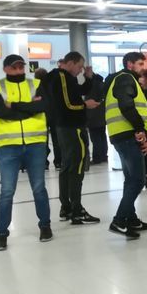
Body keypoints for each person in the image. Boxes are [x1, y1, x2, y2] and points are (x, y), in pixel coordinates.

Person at [0, 54, 53, 251]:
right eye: (14, 67)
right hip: (9, 145)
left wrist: (15, 106)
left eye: (21, 67)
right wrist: (29, 109)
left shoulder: (36, 83)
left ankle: (45, 226)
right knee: (7, 191)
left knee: (39, 188)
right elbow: (0, 111)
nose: (19, 70)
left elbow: (42, 106)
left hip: (35, 143)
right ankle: (1, 234)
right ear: (6, 69)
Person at [46, 51, 100, 225]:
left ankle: (67, 206)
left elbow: (76, 92)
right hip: (72, 128)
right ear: (70, 63)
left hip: (66, 127)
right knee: (76, 168)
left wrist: (89, 78)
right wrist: (86, 105)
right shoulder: (61, 77)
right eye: (79, 66)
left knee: (68, 166)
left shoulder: (66, 78)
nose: (79, 70)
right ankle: (76, 209)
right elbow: (68, 104)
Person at [104, 52, 147, 239]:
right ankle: (119, 219)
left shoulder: (122, 79)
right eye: (140, 63)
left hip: (121, 134)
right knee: (138, 180)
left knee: (130, 179)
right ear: (129, 64)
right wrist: (140, 128)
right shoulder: (125, 79)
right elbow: (126, 105)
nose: (143, 67)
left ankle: (131, 218)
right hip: (127, 134)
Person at [84, 66, 108, 164]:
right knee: (102, 136)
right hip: (102, 114)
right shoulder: (101, 84)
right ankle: (103, 156)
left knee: (95, 137)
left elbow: (90, 100)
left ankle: (97, 158)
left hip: (93, 114)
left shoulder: (92, 85)